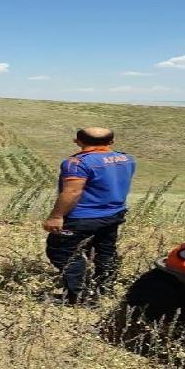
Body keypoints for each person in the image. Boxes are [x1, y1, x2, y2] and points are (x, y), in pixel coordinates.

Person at [43, 127, 136, 304]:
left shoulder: (77, 163)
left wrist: (56, 216)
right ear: (111, 142)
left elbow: (72, 192)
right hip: (113, 213)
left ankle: (77, 297)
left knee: (62, 251)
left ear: (78, 141)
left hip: (83, 216)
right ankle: (104, 288)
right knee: (104, 250)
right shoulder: (126, 159)